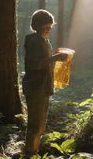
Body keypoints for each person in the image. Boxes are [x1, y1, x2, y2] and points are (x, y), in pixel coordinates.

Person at [22, 9, 68, 156]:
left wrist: (55, 56)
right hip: (35, 87)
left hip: (44, 87)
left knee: (41, 124)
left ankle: (34, 151)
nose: (48, 29)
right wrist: (56, 58)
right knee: (35, 124)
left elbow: (45, 62)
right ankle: (29, 153)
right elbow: (34, 64)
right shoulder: (34, 41)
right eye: (45, 27)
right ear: (36, 26)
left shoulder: (44, 41)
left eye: (50, 26)